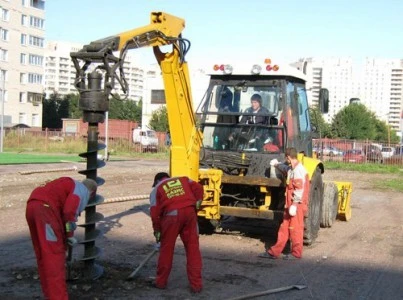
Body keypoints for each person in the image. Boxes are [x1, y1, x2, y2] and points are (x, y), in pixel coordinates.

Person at [25, 177, 97, 300]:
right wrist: (70, 235)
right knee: (55, 258)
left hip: (32, 208)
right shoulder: (81, 190)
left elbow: (63, 211)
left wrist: (65, 237)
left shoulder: (67, 184)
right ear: (92, 193)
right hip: (45, 211)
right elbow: (69, 212)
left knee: (43, 255)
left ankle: (49, 294)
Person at [149, 172, 204, 293]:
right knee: (193, 249)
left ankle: (161, 282)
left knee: (166, 250)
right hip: (190, 213)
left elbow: (154, 213)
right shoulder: (183, 179)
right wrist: (199, 200)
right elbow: (199, 188)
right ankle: (196, 285)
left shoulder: (156, 189)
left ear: (157, 181)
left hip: (171, 216)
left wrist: (157, 230)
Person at [259, 147, 310, 260]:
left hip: (296, 205)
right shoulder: (293, 169)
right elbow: (286, 169)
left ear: (288, 157)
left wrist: (295, 204)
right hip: (290, 205)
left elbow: (299, 189)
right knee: (284, 228)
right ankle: (274, 252)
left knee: (296, 229)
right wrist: (277, 164)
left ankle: (296, 254)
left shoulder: (298, 171)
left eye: (285, 158)